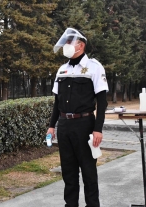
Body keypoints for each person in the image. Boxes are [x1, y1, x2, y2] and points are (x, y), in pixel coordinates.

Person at [46, 28, 108, 207]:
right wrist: (52, 126)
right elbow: (57, 102)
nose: (66, 46)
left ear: (81, 45)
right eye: (65, 43)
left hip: (85, 125)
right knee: (69, 173)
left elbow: (102, 102)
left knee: (88, 172)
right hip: (65, 126)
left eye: (69, 43)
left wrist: (98, 129)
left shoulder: (94, 67)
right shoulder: (62, 70)